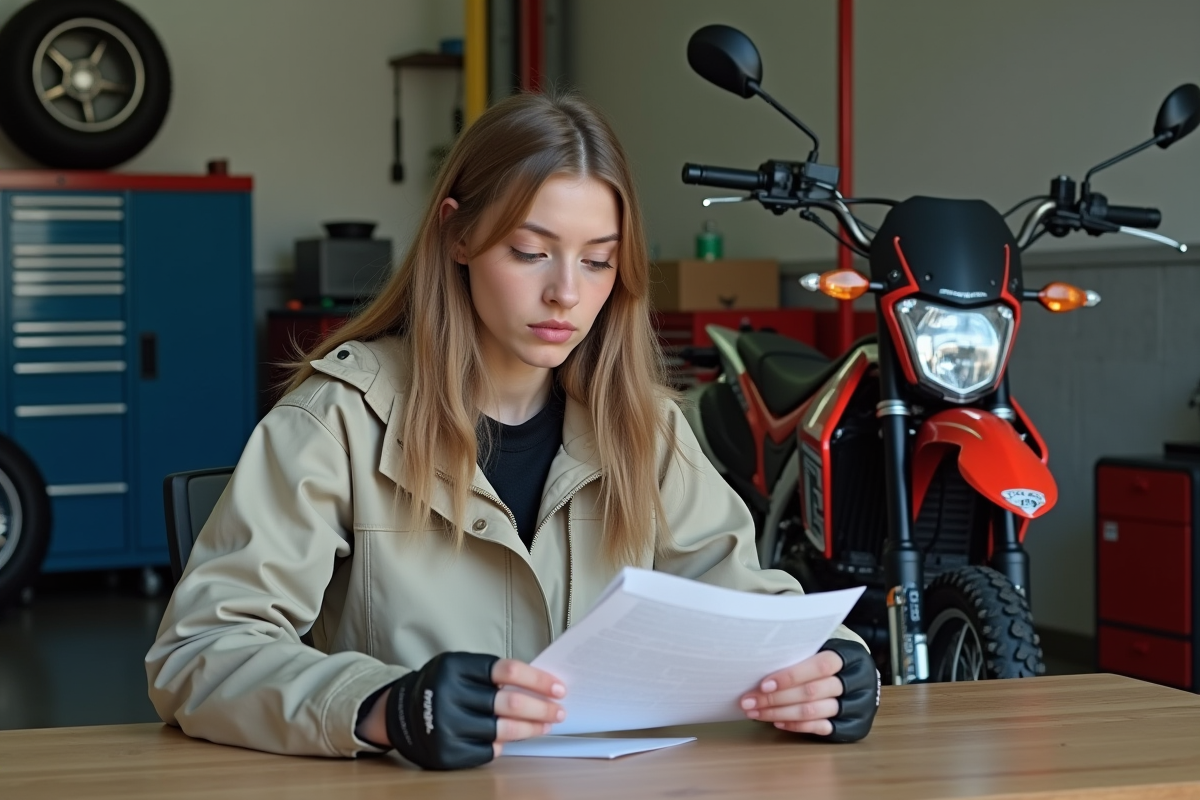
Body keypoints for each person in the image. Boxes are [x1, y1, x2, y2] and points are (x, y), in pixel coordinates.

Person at [145, 92, 879, 771]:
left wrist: (833, 667)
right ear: (458, 234)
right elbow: (200, 652)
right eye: (531, 252)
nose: (567, 292)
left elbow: (747, 606)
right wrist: (384, 707)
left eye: (598, 261)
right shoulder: (338, 419)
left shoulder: (646, 427)